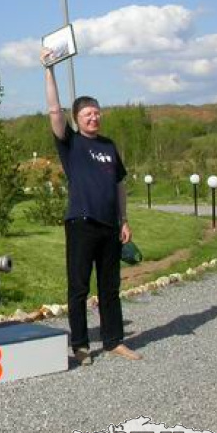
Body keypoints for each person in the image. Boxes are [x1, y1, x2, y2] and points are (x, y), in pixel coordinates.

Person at [41, 48, 143, 365]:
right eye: (87, 114)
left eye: (97, 113)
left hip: (110, 225)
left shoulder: (109, 146)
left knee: (110, 287)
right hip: (81, 223)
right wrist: (49, 70)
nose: (94, 117)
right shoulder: (70, 142)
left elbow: (119, 184)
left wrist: (124, 219)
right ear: (77, 119)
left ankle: (113, 341)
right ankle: (81, 345)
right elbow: (54, 111)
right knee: (79, 288)